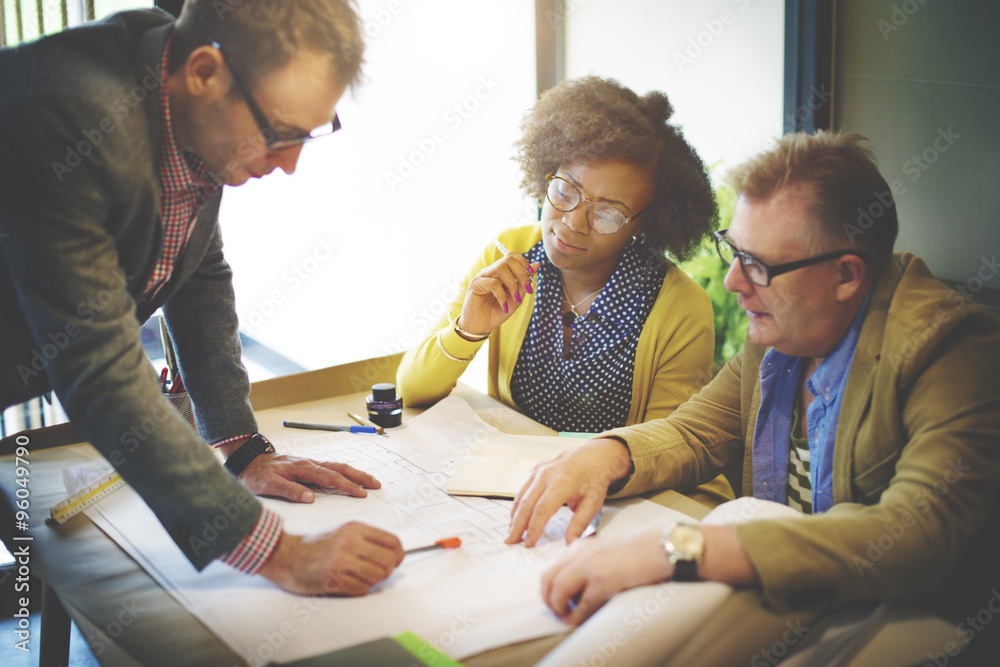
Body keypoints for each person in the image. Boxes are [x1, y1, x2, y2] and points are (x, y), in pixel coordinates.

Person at [507, 131, 1000, 654]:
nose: (734, 283)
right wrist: (606, 454)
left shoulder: (951, 349)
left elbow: (915, 537)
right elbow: (697, 432)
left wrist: (680, 549)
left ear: (847, 275)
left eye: (759, 265)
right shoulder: (787, 324)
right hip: (787, 607)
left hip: (912, 624)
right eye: (734, 252)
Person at [0, 0, 403, 595]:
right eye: (279, 133)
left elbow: (197, 272)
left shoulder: (184, 104)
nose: (290, 164)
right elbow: (100, 368)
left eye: (310, 134)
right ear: (205, 73)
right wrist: (281, 553)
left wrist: (240, 447)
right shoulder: (74, 114)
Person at [397, 77, 732, 503]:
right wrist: (467, 330)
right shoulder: (510, 252)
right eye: (565, 191)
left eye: (608, 213)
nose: (572, 222)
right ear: (546, 171)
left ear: (645, 224)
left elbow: (667, 455)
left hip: (615, 504)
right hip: (513, 490)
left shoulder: (679, 306)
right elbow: (410, 390)